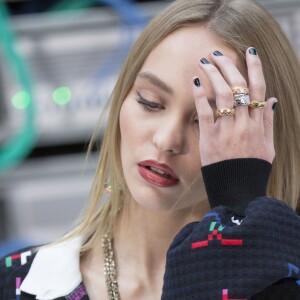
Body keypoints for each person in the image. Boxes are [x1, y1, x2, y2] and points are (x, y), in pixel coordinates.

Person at [1, 0, 300, 299]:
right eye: (149, 102)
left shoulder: (281, 285)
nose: (167, 140)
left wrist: (240, 210)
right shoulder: (14, 283)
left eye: (206, 120)